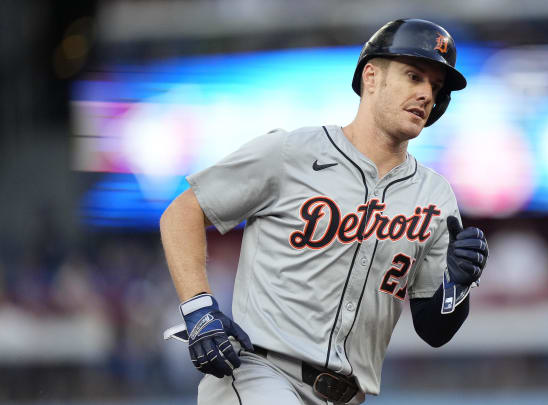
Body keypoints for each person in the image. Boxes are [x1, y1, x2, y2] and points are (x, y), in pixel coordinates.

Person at [159, 18, 489, 405]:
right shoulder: (292, 152)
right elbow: (183, 211)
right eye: (413, 76)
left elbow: (435, 330)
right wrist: (199, 309)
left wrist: (457, 284)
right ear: (371, 77)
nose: (425, 94)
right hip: (260, 374)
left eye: (435, 87)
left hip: (347, 396)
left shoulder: (436, 196)